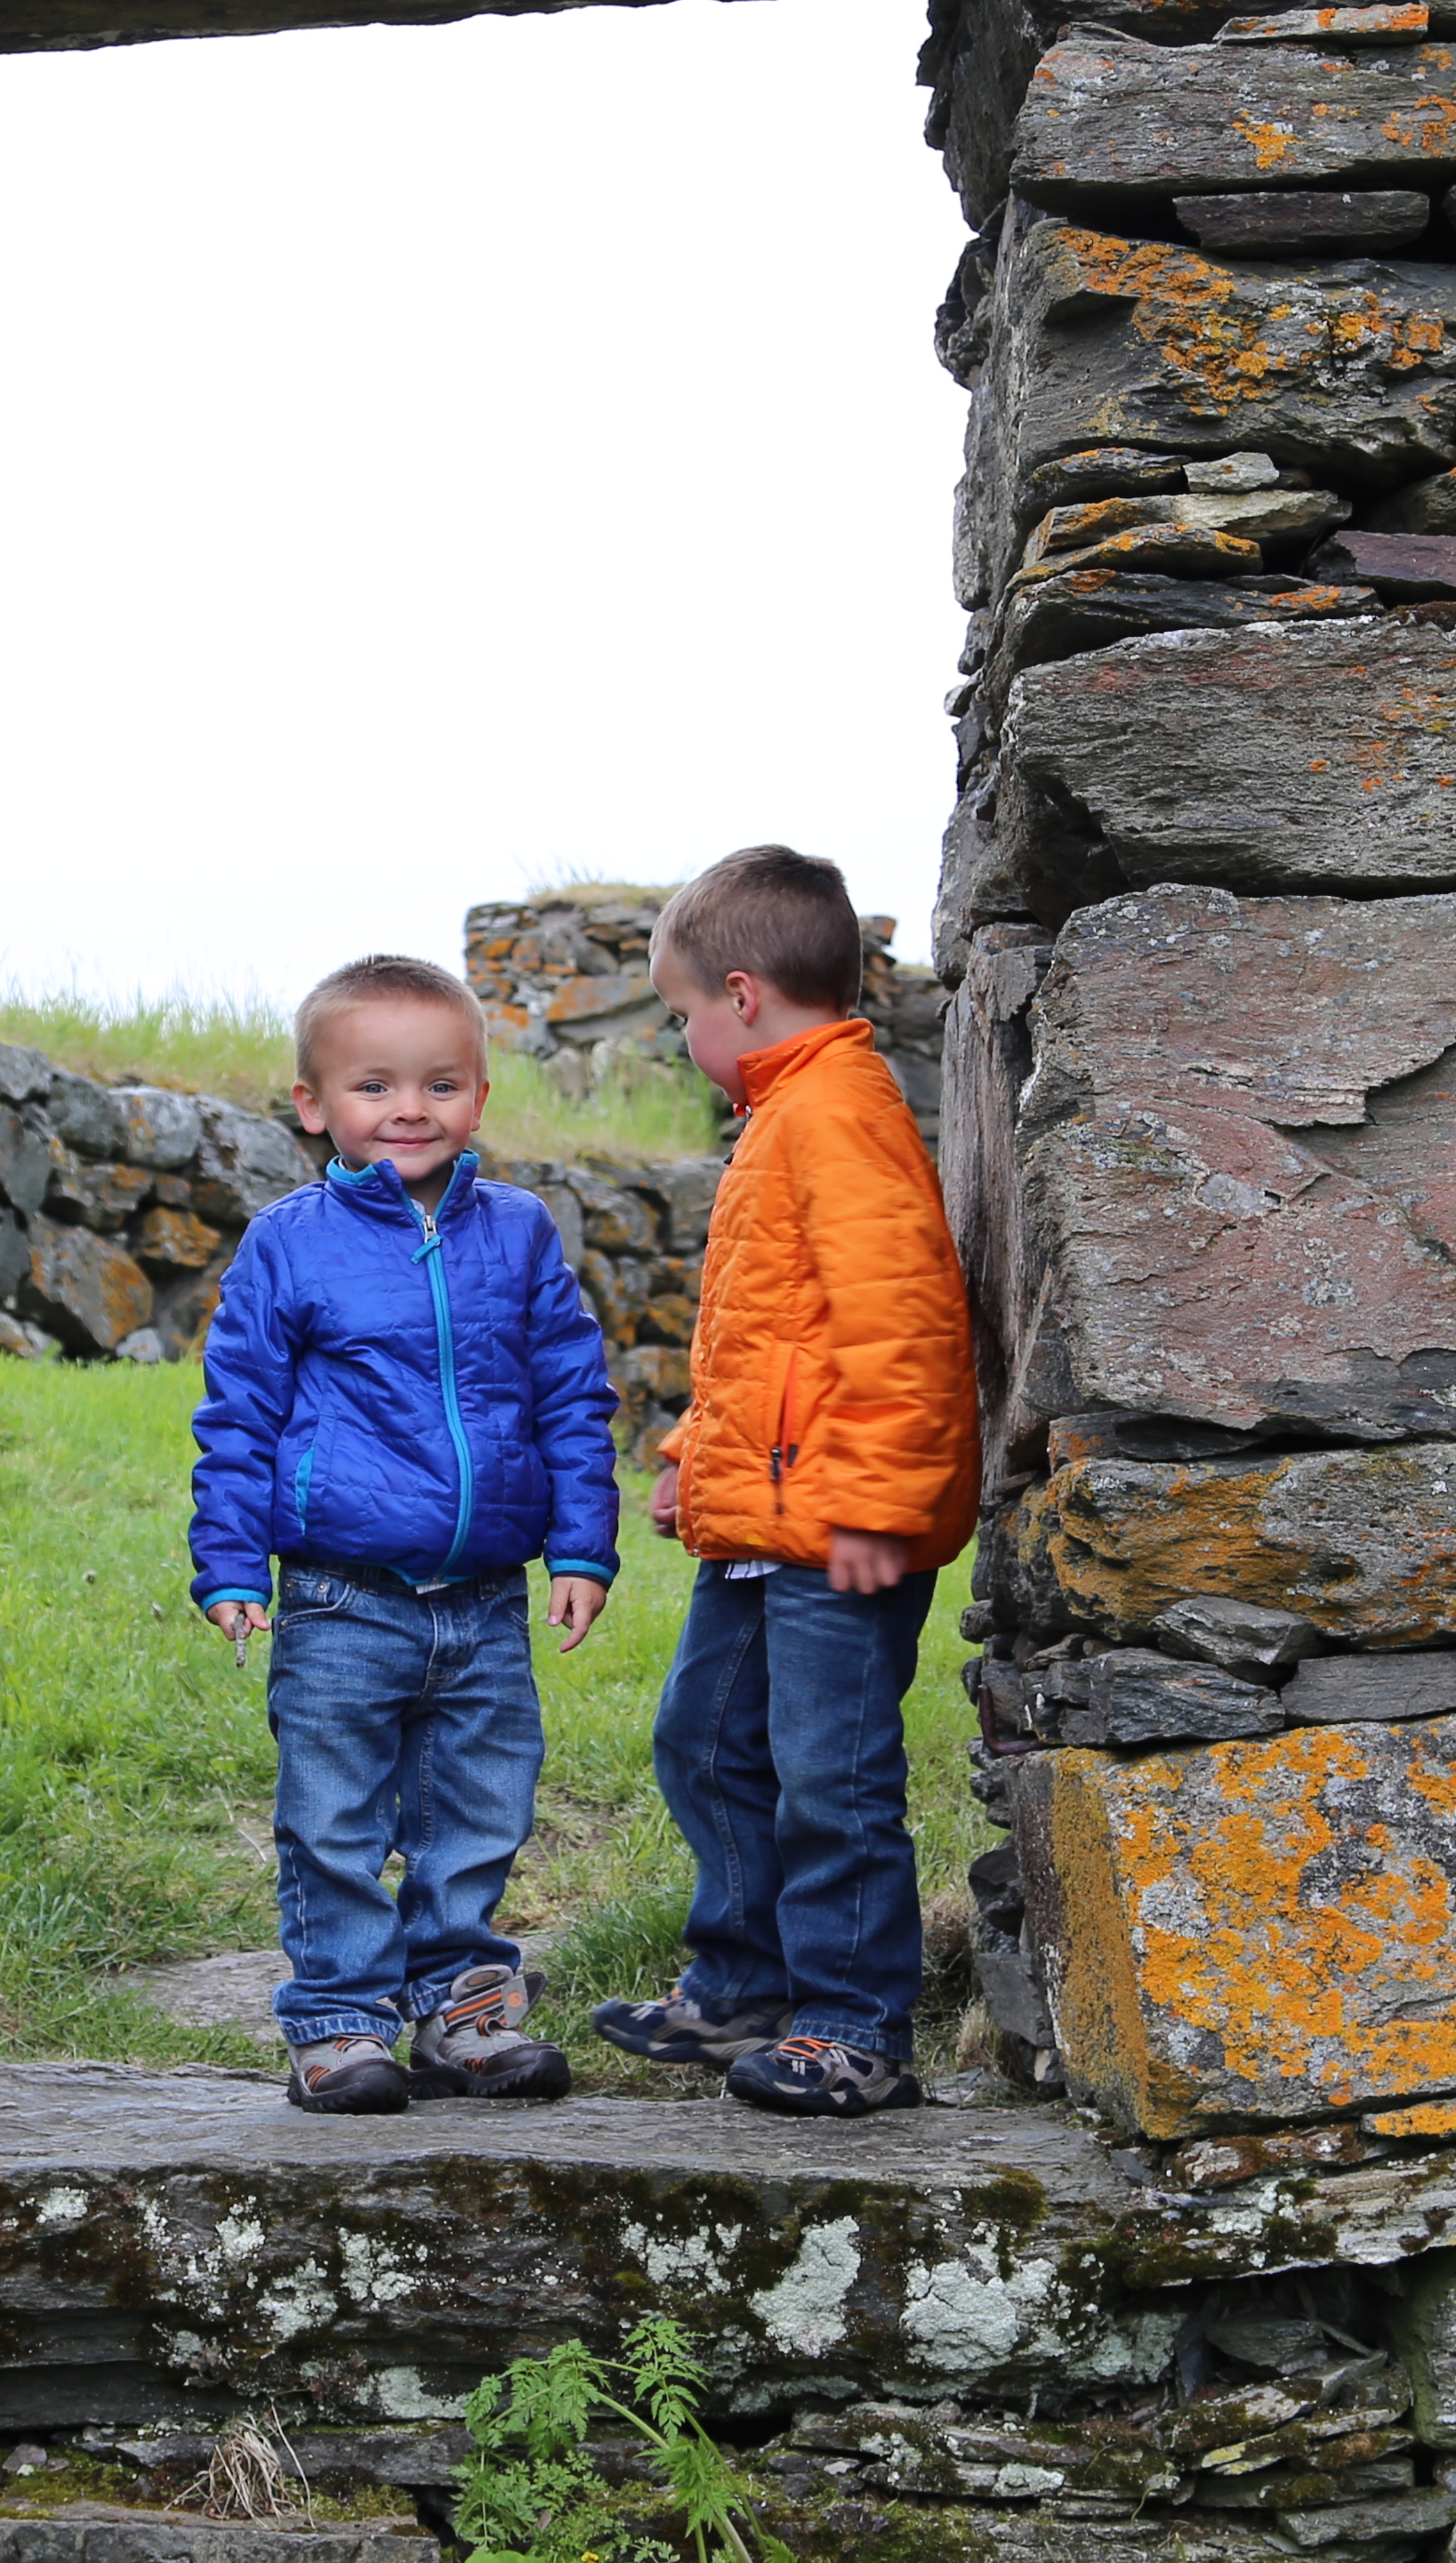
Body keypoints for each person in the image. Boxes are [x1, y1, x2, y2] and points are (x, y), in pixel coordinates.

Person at [189, 951, 622, 2115]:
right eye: (374, 1087)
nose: (409, 1111)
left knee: (478, 1812)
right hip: (341, 1598)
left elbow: (571, 1396)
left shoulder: (520, 1234)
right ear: (314, 1106)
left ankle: (466, 2011)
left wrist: (581, 1546)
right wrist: (229, 1561)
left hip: (483, 1602)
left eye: (440, 1085)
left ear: (479, 1096)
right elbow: (239, 1415)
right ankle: (337, 2023)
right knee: (332, 1818)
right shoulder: (291, 1242)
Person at [591, 846, 978, 2117]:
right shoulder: (785, 1111)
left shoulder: (836, 1113)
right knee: (704, 1745)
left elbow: (905, 1323)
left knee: (832, 1777)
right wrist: (693, 1462)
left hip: (838, 1532)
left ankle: (855, 2025)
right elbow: (773, 1340)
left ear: (742, 995)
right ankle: (744, 1985)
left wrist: (874, 1503)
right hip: (767, 1521)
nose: (682, 1036)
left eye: (682, 1012)